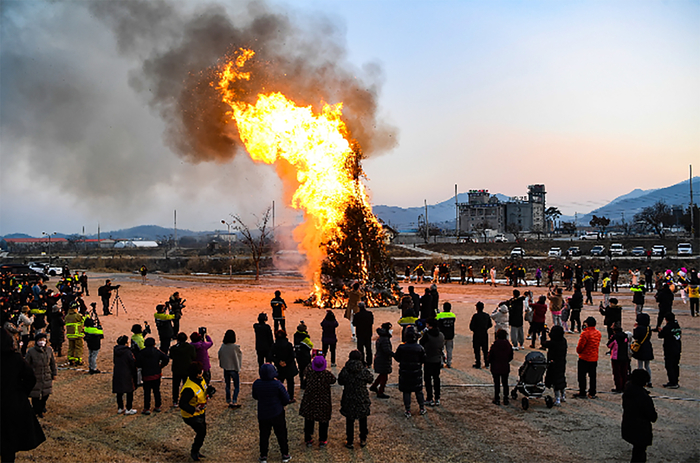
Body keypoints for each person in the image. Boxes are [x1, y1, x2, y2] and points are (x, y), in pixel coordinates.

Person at [1, 328, 46, 462]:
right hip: (12, 404)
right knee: (9, 445)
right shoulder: (15, 358)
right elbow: (30, 378)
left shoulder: (15, 358)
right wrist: (21, 393)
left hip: (11, 402)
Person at [253, 363, 291, 463]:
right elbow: (286, 399)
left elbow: (255, 396)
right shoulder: (277, 384)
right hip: (277, 412)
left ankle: (263, 456)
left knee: (264, 435)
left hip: (263, 413)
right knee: (281, 433)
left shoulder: (257, 383)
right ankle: (285, 454)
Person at [338, 350, 374, 449]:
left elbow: (340, 381)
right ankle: (363, 439)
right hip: (361, 397)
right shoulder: (363, 370)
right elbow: (371, 379)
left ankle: (350, 441)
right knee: (363, 418)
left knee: (350, 420)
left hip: (349, 397)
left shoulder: (346, 370)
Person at [179, 361, 214, 462]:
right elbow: (182, 404)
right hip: (191, 415)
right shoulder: (189, 388)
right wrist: (194, 409)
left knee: (202, 431)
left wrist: (210, 391)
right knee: (201, 432)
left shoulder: (200, 379)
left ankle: (196, 451)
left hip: (201, 412)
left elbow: (204, 389)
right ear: (198, 373)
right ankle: (194, 451)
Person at [299, 355, 336, 448]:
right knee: (323, 421)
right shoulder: (326, 374)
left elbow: (305, 369)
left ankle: (308, 439)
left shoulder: (309, 372)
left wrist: (312, 359)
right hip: (323, 401)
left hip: (310, 400)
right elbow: (334, 380)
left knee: (309, 419)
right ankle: (322, 439)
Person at [622, 369, 657, 463]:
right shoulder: (643, 397)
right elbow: (653, 417)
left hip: (629, 424)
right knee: (639, 453)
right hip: (641, 428)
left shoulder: (628, 390)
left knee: (637, 451)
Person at [393, 326, 426, 418]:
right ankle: (422, 407)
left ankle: (408, 409)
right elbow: (423, 359)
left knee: (406, 391)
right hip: (416, 371)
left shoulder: (402, 347)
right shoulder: (419, 348)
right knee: (418, 390)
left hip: (405, 371)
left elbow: (397, 358)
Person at [24, 332, 57, 418]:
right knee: (35, 395)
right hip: (35, 376)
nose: (42, 342)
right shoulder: (31, 352)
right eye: (40, 340)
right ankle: (37, 410)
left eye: (43, 340)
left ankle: (42, 407)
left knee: (46, 394)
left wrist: (54, 373)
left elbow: (53, 363)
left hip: (46, 375)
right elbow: (26, 364)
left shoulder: (49, 350)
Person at [137, 337, 169, 415]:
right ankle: (158, 406)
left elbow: (138, 363)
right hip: (156, 374)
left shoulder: (142, 352)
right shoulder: (157, 351)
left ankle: (147, 408)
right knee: (156, 391)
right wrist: (161, 366)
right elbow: (166, 358)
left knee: (147, 392)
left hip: (146, 375)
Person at [573, 317, 602, 399]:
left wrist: (579, 351)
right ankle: (592, 392)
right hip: (594, 357)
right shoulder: (598, 333)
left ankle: (582, 392)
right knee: (592, 376)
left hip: (585, 357)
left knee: (582, 376)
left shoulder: (585, 334)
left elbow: (580, 346)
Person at [420, 318, 445, 407]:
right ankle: (437, 398)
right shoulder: (441, 335)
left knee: (428, 379)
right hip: (437, 359)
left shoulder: (427, 335)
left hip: (428, 359)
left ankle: (429, 398)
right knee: (436, 379)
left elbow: (421, 343)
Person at [169, 332, 197, 408]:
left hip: (176, 369)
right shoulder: (190, 348)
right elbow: (194, 356)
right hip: (187, 369)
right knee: (186, 385)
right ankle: (185, 399)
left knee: (175, 385)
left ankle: (175, 400)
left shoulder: (174, 348)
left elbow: (171, 356)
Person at [270, 330, 298, 403]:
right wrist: (286, 362)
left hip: (279, 367)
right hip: (289, 366)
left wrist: (279, 362)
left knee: (279, 382)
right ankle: (290, 397)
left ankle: (279, 396)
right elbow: (292, 356)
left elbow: (271, 356)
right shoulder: (288, 345)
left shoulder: (274, 345)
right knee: (290, 382)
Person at [112, 335, 137, 415]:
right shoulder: (128, 352)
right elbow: (132, 363)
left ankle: (120, 407)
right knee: (129, 391)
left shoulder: (116, 351)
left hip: (118, 371)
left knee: (119, 391)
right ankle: (128, 408)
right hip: (127, 372)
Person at [488, 329, 513, 406]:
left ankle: (497, 398)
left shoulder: (495, 344)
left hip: (496, 366)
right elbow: (511, 356)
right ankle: (506, 398)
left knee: (497, 383)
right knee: (505, 383)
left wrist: (490, 361)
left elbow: (490, 355)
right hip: (505, 366)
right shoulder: (508, 345)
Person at [543, 325, 567, 405]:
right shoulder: (563, 341)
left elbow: (543, 343)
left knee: (555, 382)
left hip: (553, 364)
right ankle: (563, 396)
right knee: (561, 379)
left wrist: (543, 333)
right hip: (562, 362)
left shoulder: (553, 343)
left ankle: (557, 399)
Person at [218, 329, 243, 408]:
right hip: (233, 369)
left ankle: (228, 399)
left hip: (226, 368)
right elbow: (239, 356)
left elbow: (220, 354)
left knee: (227, 385)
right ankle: (234, 401)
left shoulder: (223, 346)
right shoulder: (235, 347)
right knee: (236, 386)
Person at [657, 312, 681, 389]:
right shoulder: (677, 326)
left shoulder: (667, 327)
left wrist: (661, 331)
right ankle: (676, 380)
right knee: (675, 365)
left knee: (669, 365)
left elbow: (661, 336)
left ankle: (672, 382)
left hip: (669, 348)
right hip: (677, 347)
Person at [370, 322, 393, 398]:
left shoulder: (381, 337)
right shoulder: (385, 339)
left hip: (380, 358)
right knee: (384, 376)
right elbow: (387, 350)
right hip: (383, 359)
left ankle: (374, 386)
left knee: (382, 374)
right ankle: (380, 391)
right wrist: (394, 355)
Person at [632, 313, 654, 387]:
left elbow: (635, 336)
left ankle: (640, 380)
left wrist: (635, 328)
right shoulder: (648, 328)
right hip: (647, 346)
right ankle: (649, 381)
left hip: (640, 347)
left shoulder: (639, 328)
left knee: (640, 365)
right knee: (647, 366)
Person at [608, 323, 630, 393]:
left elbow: (609, 345)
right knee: (624, 372)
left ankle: (618, 387)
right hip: (625, 356)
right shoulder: (625, 336)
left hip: (616, 356)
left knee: (617, 373)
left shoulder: (614, 337)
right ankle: (624, 387)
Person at [469, 301, 491, 368]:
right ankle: (486, 363)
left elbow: (471, 326)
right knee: (485, 349)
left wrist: (475, 330)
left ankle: (478, 363)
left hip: (477, 334)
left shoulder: (475, 316)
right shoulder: (486, 315)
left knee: (477, 350)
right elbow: (490, 324)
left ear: (477, 308)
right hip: (484, 334)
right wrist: (485, 328)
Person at [353, 302, 374, 366]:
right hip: (368, 333)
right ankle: (369, 362)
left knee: (360, 349)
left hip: (360, 334)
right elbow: (371, 322)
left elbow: (354, 324)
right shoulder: (369, 314)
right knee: (368, 349)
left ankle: (361, 362)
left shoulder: (357, 315)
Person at [436, 301, 456, 368]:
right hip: (450, 335)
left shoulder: (440, 315)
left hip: (442, 334)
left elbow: (436, 323)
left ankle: (441, 362)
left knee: (441, 349)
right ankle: (449, 363)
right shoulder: (453, 315)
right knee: (449, 350)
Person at [293, 323, 313, 389]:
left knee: (301, 369)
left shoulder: (295, 335)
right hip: (305, 355)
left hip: (298, 355)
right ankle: (306, 383)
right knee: (307, 369)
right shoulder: (305, 337)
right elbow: (310, 346)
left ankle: (302, 382)